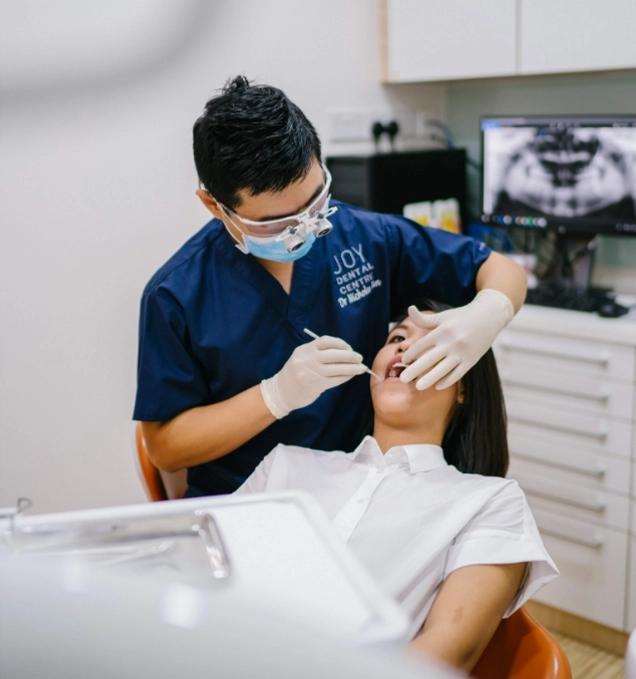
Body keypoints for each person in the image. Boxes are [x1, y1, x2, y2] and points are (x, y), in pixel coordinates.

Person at [133, 75, 528, 498]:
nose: (307, 228)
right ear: (215, 205)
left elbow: (501, 270)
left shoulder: (366, 238)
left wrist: (488, 315)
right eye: (279, 223)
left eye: (316, 202)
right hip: (243, 506)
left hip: (356, 490)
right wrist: (274, 396)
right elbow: (166, 449)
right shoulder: (176, 295)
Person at [235, 300, 558, 674]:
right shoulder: (285, 464)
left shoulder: (488, 502)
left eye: (431, 342)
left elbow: (450, 651)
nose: (404, 346)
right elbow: (199, 572)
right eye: (397, 337)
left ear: (463, 386)